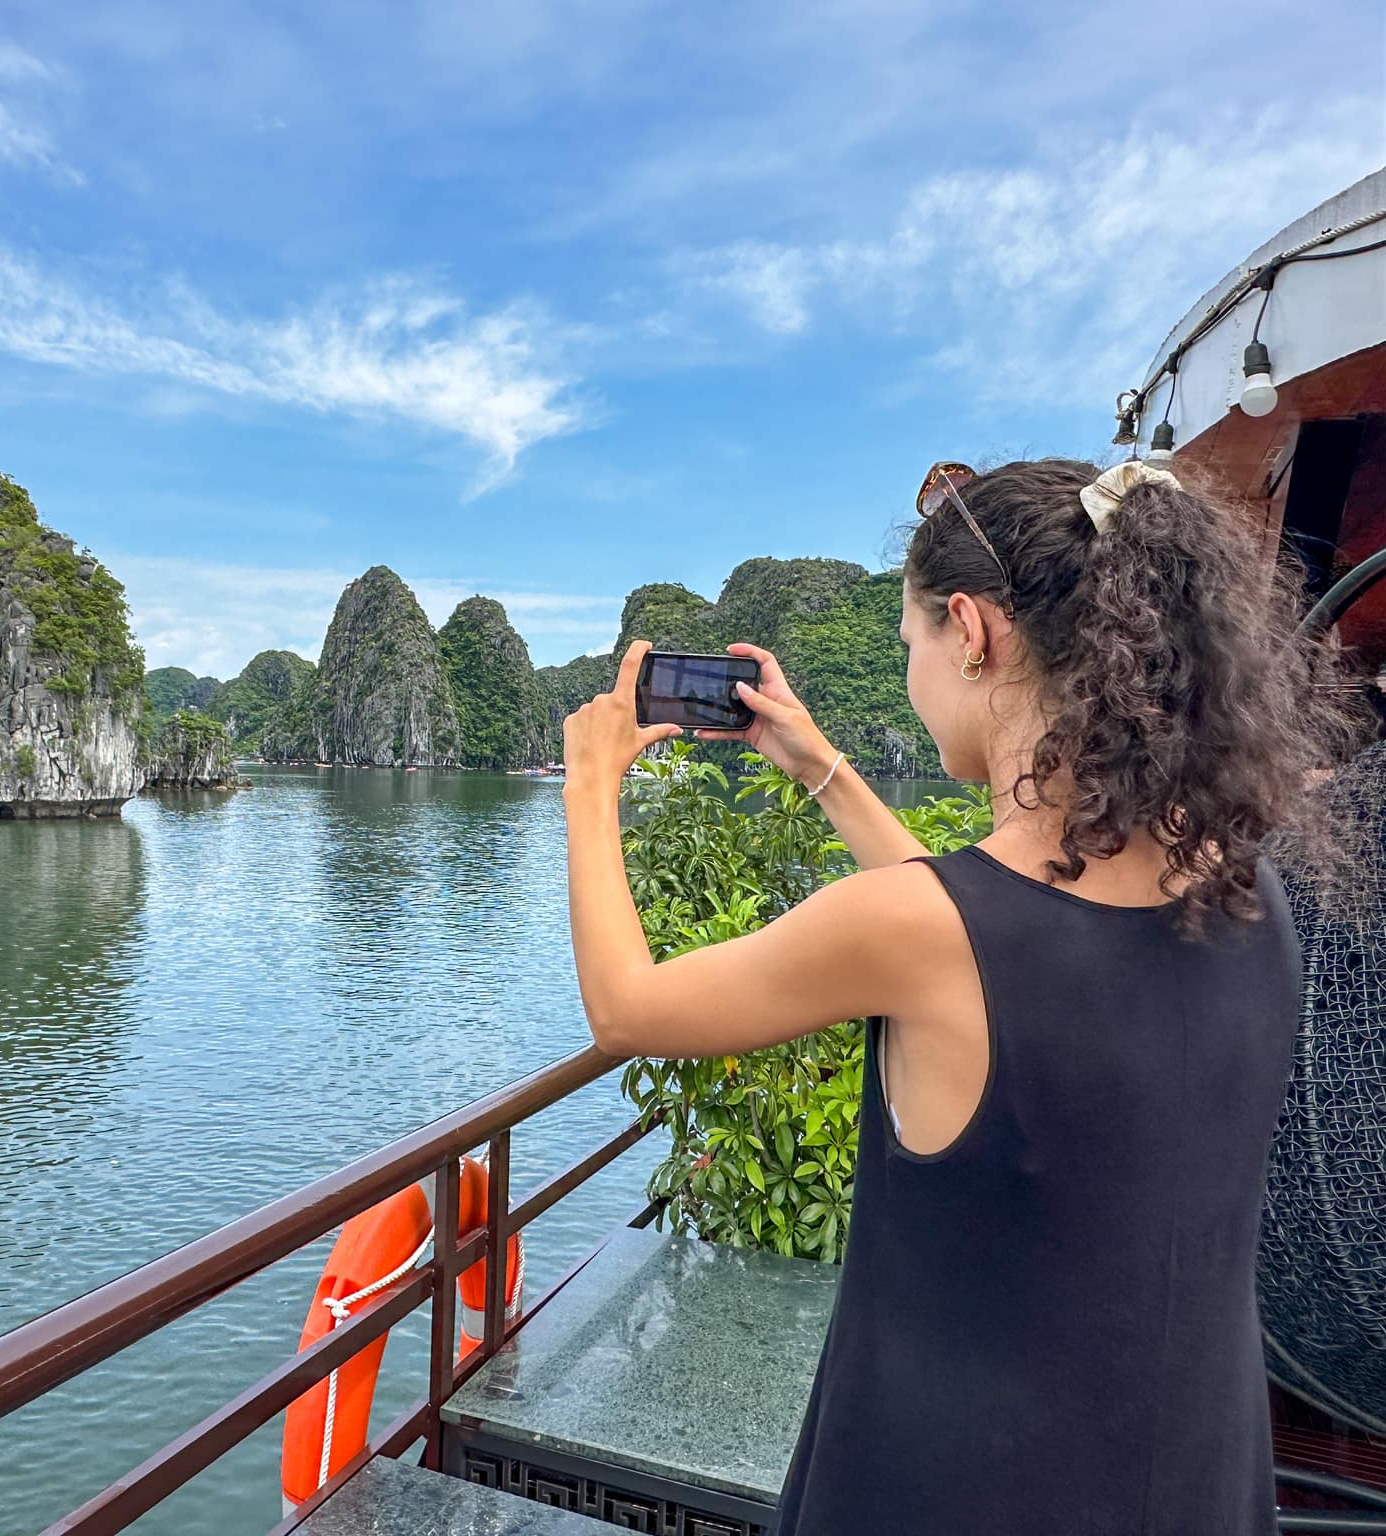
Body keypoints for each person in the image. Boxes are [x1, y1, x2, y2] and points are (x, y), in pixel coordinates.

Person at [562, 458, 1357, 1535]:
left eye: (908, 646)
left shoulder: (927, 936)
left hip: (957, 1487)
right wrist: (819, 768)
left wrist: (587, 787)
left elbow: (627, 1007)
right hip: (1190, 1476)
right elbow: (977, 933)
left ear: (970, 632)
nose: (909, 677)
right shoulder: (1244, 888)